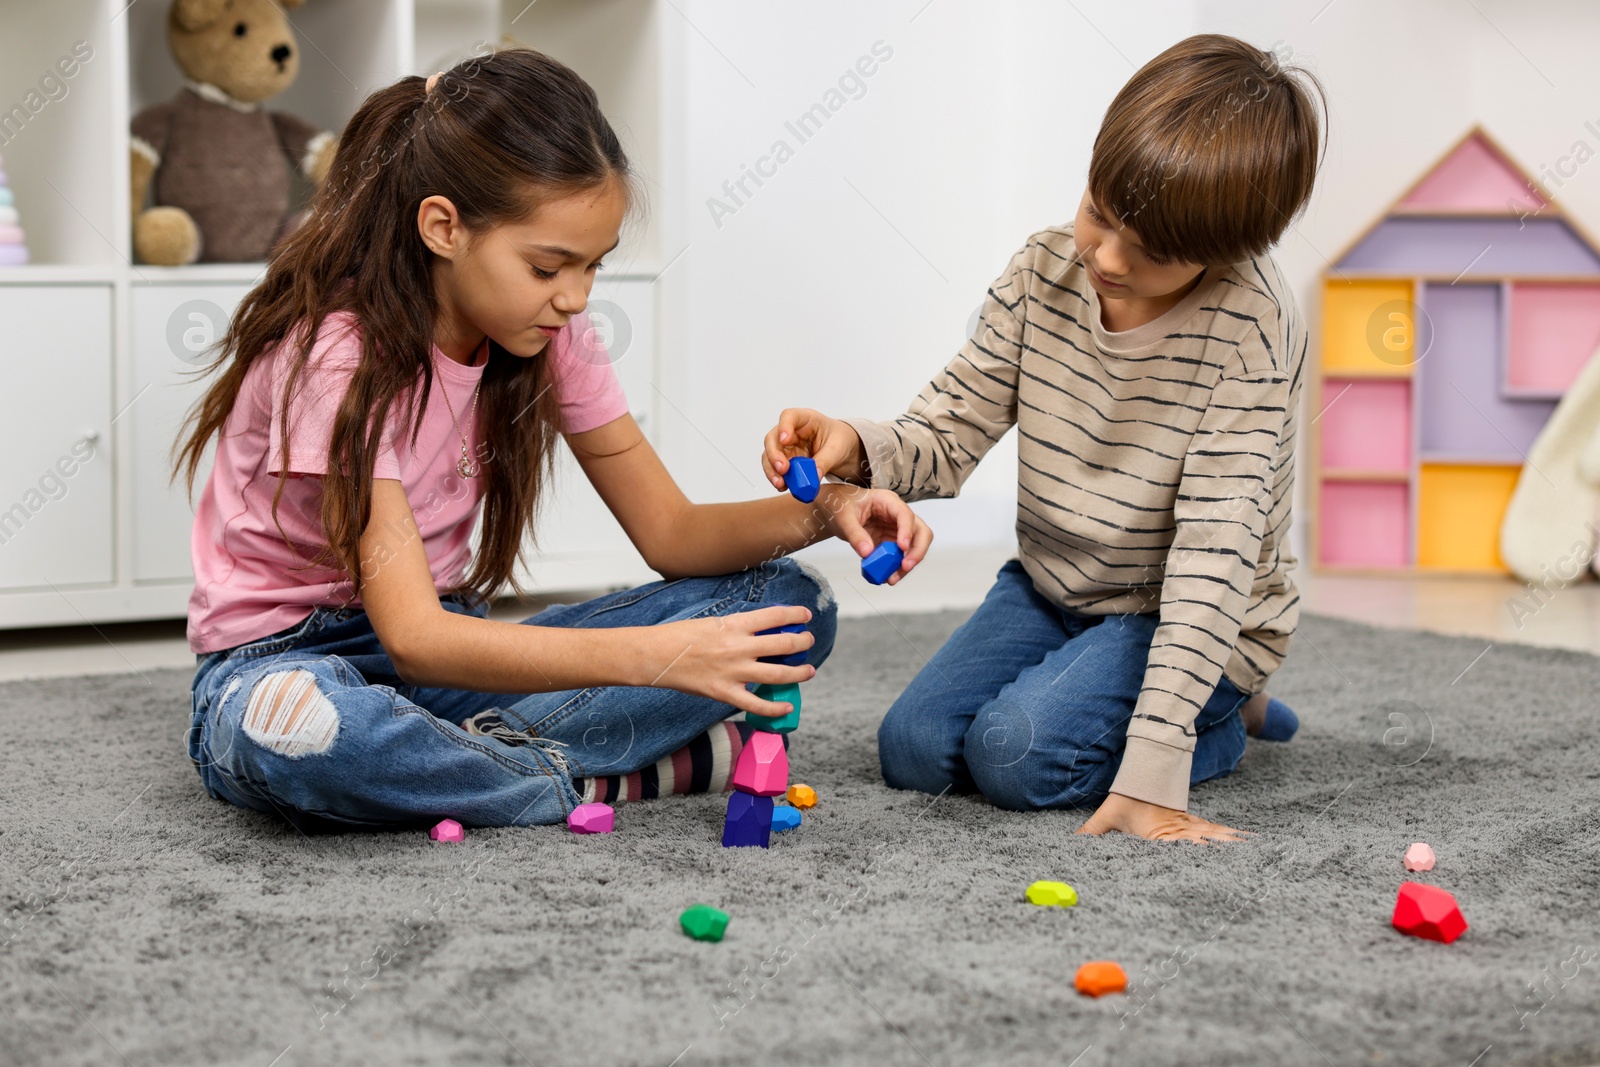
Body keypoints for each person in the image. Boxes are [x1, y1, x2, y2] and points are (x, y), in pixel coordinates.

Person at [176, 48, 931, 832]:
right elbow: (412, 638)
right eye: (547, 267)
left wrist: (831, 508)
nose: (574, 297)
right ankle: (590, 779)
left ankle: (470, 765)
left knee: (789, 605)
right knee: (304, 729)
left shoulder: (550, 333)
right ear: (443, 227)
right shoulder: (339, 359)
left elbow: (672, 533)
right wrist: (661, 657)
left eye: (592, 268)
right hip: (287, 660)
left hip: (448, 661)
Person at [761, 35, 1325, 843]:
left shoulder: (1253, 329)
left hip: (1184, 614)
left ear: (1226, 251)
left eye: (1152, 251)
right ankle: (1181, 701)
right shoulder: (1042, 271)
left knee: (1015, 756)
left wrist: (1155, 766)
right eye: (1099, 209)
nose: (1105, 255)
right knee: (914, 748)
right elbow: (948, 430)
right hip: (1054, 586)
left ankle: (1214, 713)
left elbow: (1211, 558)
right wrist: (849, 442)